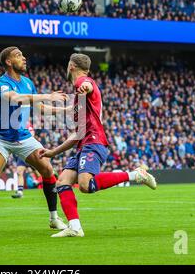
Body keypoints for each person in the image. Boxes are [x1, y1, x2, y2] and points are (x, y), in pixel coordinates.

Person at [39, 53, 157, 237]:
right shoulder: (79, 100)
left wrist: (85, 87)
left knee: (85, 185)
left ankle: (136, 175)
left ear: (71, 66)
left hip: (94, 141)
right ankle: (75, 227)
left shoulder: (83, 83)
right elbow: (75, 129)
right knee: (62, 182)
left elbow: (88, 85)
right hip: (83, 144)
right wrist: (52, 151)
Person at [0, 46, 68, 233]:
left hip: (23, 137)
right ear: (8, 61)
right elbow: (15, 99)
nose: (23, 58)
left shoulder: (28, 83)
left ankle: (54, 218)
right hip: (1, 138)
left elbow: (38, 108)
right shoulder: (2, 83)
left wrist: (64, 110)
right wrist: (49, 95)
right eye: (18, 56)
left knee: (48, 169)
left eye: (23, 55)